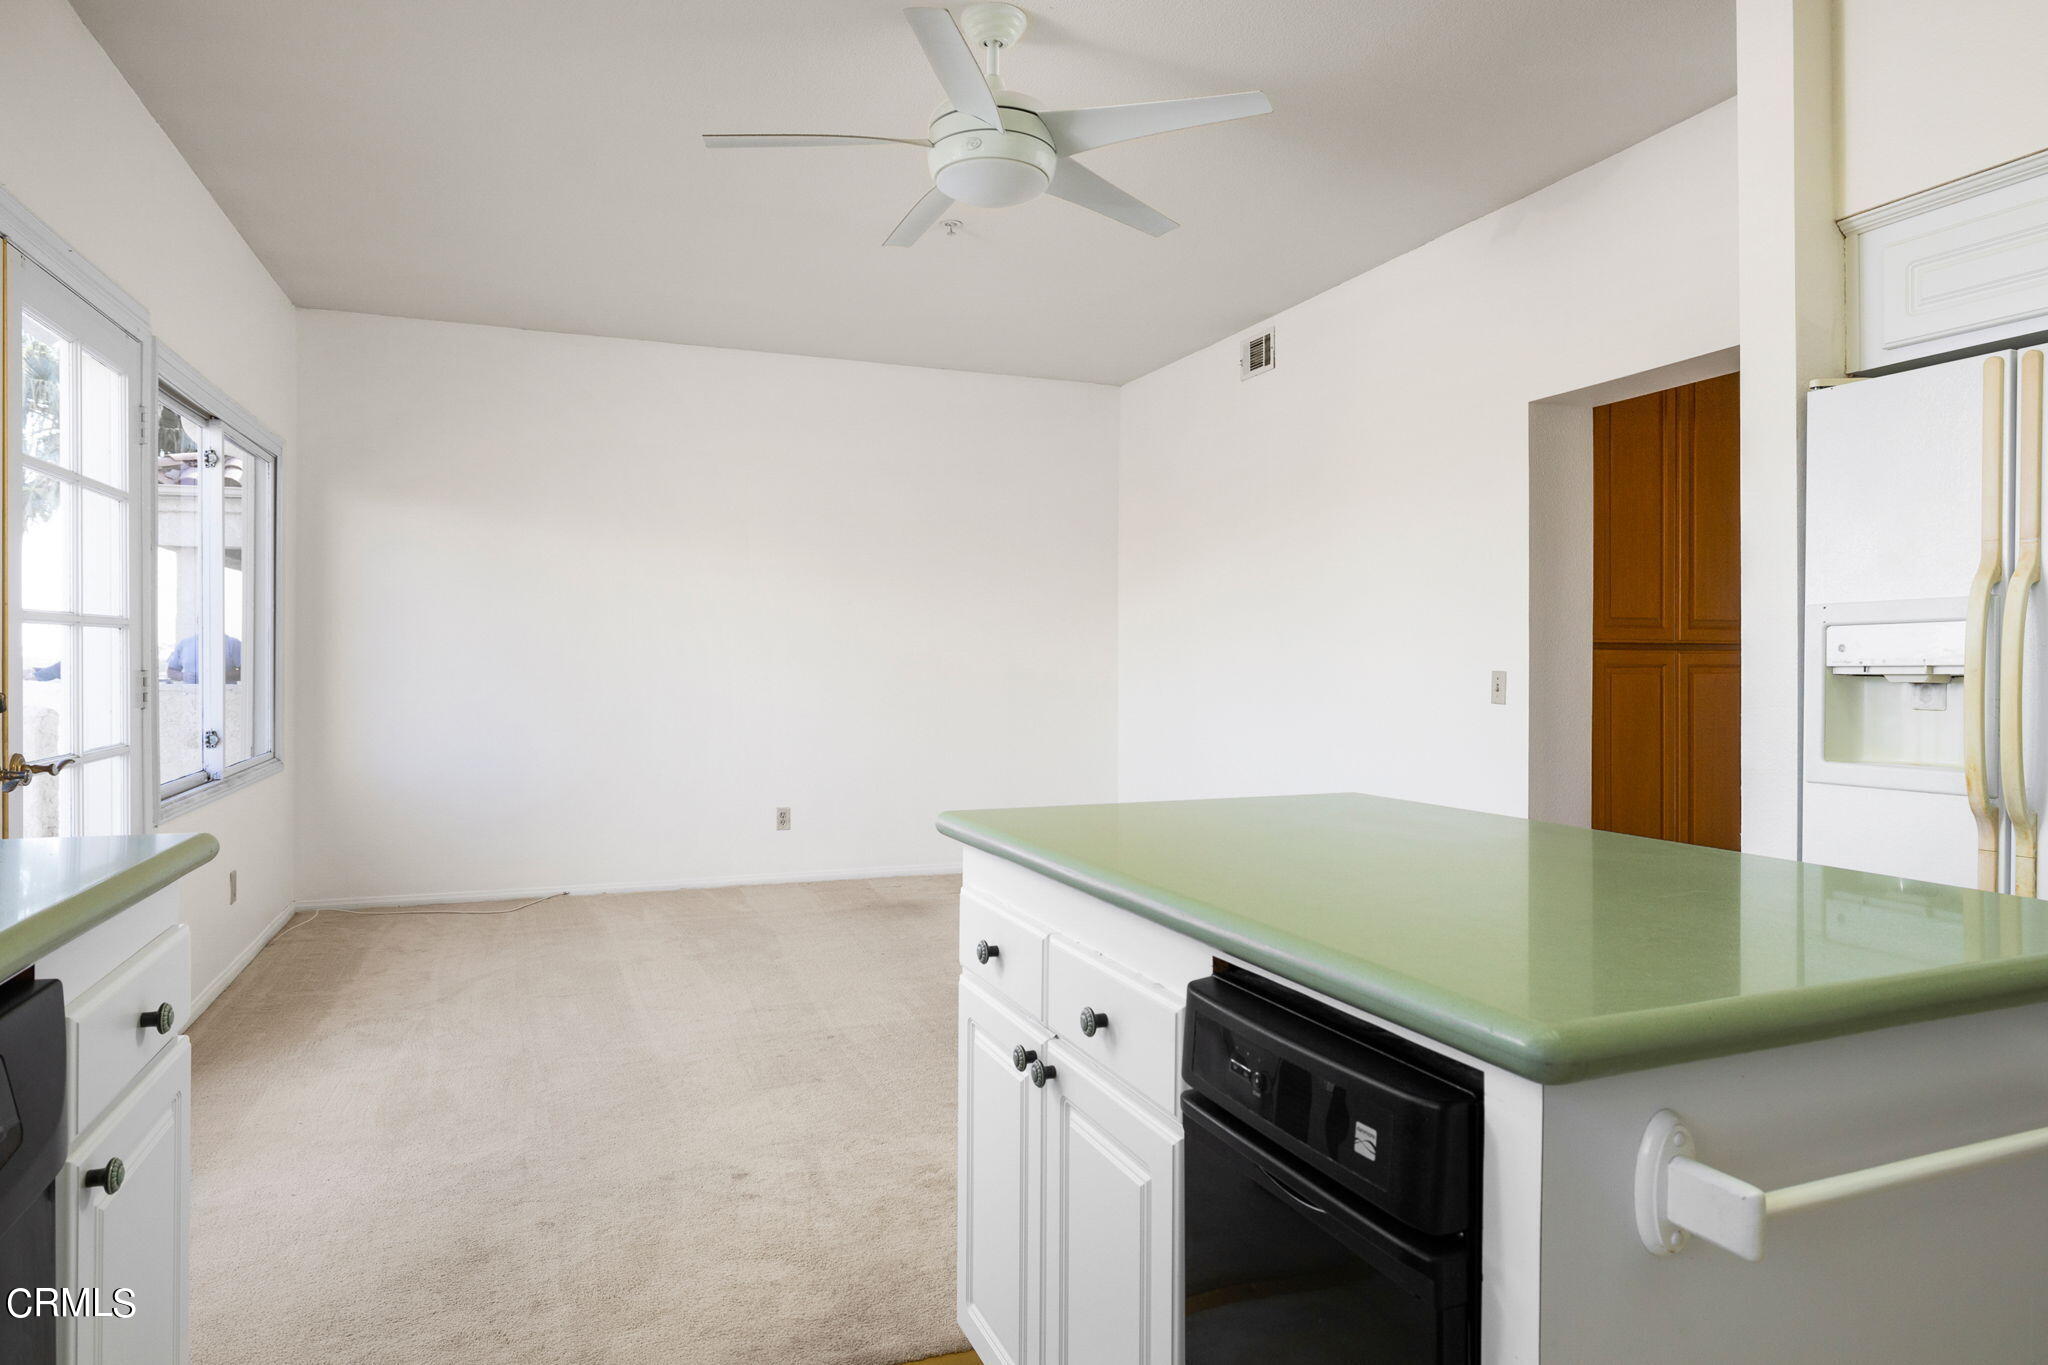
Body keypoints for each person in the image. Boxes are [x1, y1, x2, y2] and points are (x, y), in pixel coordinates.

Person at [165, 634, 241, 684]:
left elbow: (249, 673)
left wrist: (224, 676)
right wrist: (183, 676)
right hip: (191, 699)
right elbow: (171, 671)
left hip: (224, 700)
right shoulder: (184, 644)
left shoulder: (233, 643)